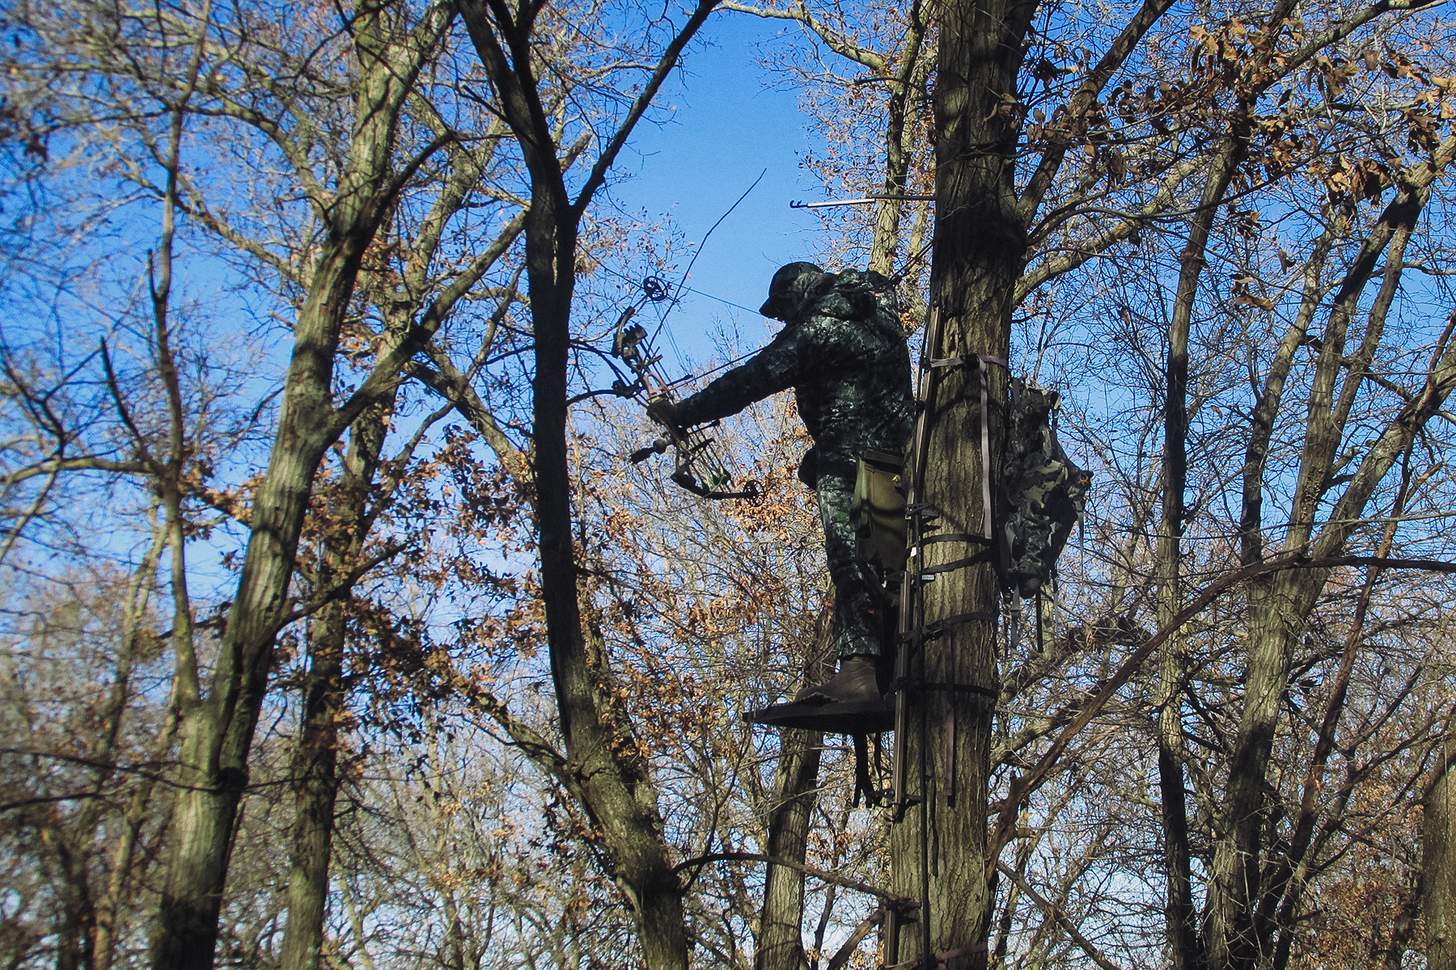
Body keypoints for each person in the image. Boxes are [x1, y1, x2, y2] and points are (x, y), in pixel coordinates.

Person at [648, 262, 913, 709]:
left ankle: (860, 672)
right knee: (888, 567)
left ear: (799, 293)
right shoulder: (876, 315)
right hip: (898, 465)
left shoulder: (821, 328)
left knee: (851, 564)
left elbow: (754, 378)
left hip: (850, 465)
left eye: (784, 309)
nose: (783, 320)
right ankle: (893, 667)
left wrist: (683, 412)